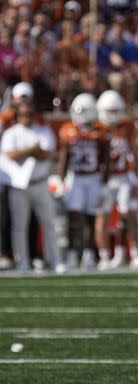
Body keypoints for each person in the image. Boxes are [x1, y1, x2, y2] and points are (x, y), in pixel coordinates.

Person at [0, 99, 63, 273]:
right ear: (17, 116)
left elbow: (46, 154)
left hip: (40, 183)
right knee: (19, 226)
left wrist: (27, 153)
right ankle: (22, 261)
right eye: (22, 115)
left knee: (49, 223)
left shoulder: (43, 131)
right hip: (18, 186)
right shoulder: (11, 133)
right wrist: (31, 150)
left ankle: (56, 260)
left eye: (29, 114)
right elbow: (10, 155)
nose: (26, 118)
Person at [95, 90, 138, 270]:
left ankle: (136, 253)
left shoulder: (127, 126)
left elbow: (134, 151)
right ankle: (104, 256)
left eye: (114, 111)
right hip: (105, 179)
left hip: (124, 177)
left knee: (131, 214)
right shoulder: (97, 128)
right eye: (108, 111)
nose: (112, 115)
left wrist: (137, 175)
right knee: (103, 216)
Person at [58, 93, 109, 270]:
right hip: (76, 178)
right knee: (74, 217)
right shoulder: (68, 129)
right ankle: (72, 254)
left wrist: (104, 182)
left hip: (93, 178)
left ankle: (88, 255)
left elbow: (105, 158)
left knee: (90, 218)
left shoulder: (101, 130)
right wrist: (60, 178)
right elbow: (64, 155)